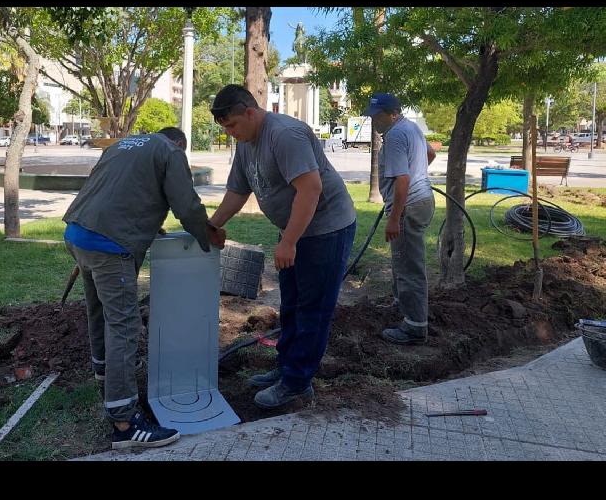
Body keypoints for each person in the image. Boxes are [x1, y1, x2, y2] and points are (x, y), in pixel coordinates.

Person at [62, 127, 226, 449]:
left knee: (98, 309)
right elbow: (186, 204)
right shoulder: (170, 151)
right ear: (179, 143)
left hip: (78, 233)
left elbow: (119, 190)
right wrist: (206, 235)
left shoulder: (122, 144)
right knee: (124, 325)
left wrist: (145, 221)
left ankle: (103, 373)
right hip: (109, 246)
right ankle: (124, 422)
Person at [208, 84, 357, 410]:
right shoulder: (246, 142)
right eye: (225, 128)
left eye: (232, 125)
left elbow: (311, 189)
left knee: (312, 309)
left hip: (326, 229)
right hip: (294, 229)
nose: (230, 133)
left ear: (250, 112)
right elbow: (237, 192)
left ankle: (297, 383)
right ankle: (286, 368)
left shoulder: (285, 134)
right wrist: (212, 225)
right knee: (290, 304)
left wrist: (289, 241)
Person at [363, 93, 436, 346]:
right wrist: (419, 174)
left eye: (377, 115)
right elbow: (430, 154)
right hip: (422, 200)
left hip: (409, 206)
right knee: (403, 261)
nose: (374, 120)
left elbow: (402, 180)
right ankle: (402, 306)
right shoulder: (411, 127)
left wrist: (395, 218)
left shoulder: (394, 136)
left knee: (408, 266)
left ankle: (415, 327)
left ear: (392, 113)